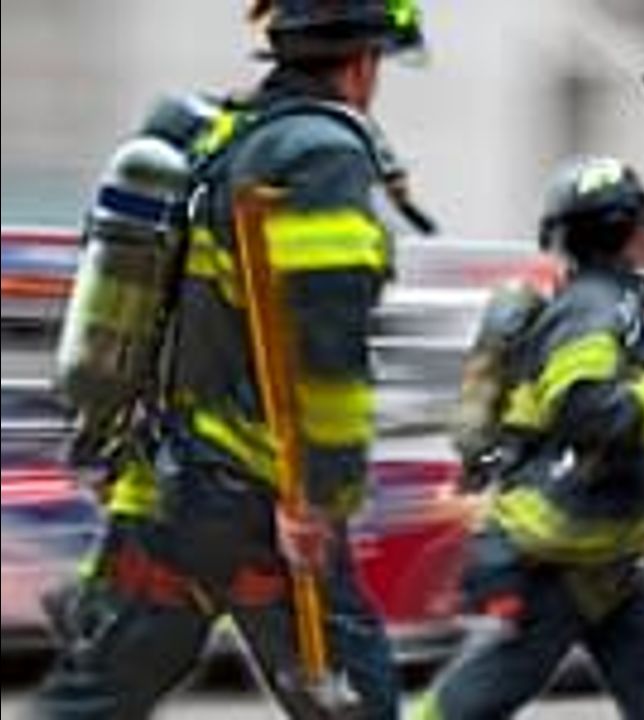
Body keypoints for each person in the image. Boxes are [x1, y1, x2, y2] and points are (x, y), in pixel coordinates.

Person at [35, 1, 425, 717]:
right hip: (259, 491)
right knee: (356, 703)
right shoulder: (321, 155)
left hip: (168, 476)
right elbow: (327, 351)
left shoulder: (220, 137)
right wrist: (318, 496)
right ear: (363, 61)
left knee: (95, 697)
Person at [414, 156, 644, 720]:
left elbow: (597, 449)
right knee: (473, 703)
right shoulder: (592, 309)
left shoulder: (612, 304)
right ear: (625, 230)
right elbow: (586, 408)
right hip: (560, 565)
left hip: (612, 559)